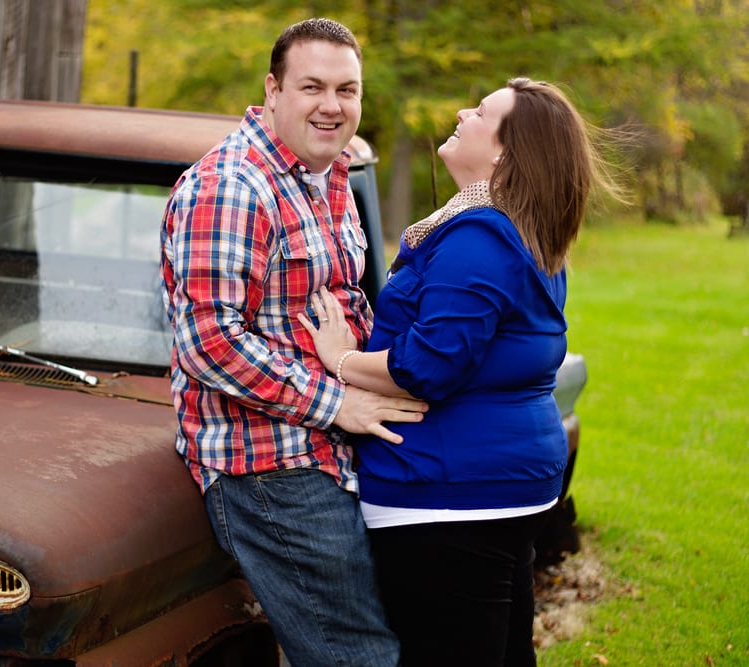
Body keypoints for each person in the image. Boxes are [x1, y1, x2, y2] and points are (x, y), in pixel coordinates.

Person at [299, 77, 624, 666]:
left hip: (448, 499)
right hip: (499, 491)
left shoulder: (477, 237)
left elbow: (430, 365)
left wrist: (339, 359)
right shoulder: (522, 234)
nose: (460, 111)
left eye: (480, 112)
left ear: (504, 153)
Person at [160, 18, 427, 667]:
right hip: (271, 465)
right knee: (356, 656)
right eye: (312, 86)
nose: (332, 105)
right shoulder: (233, 186)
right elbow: (208, 339)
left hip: (331, 450)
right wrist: (339, 403)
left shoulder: (326, 175)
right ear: (272, 89)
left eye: (347, 89)